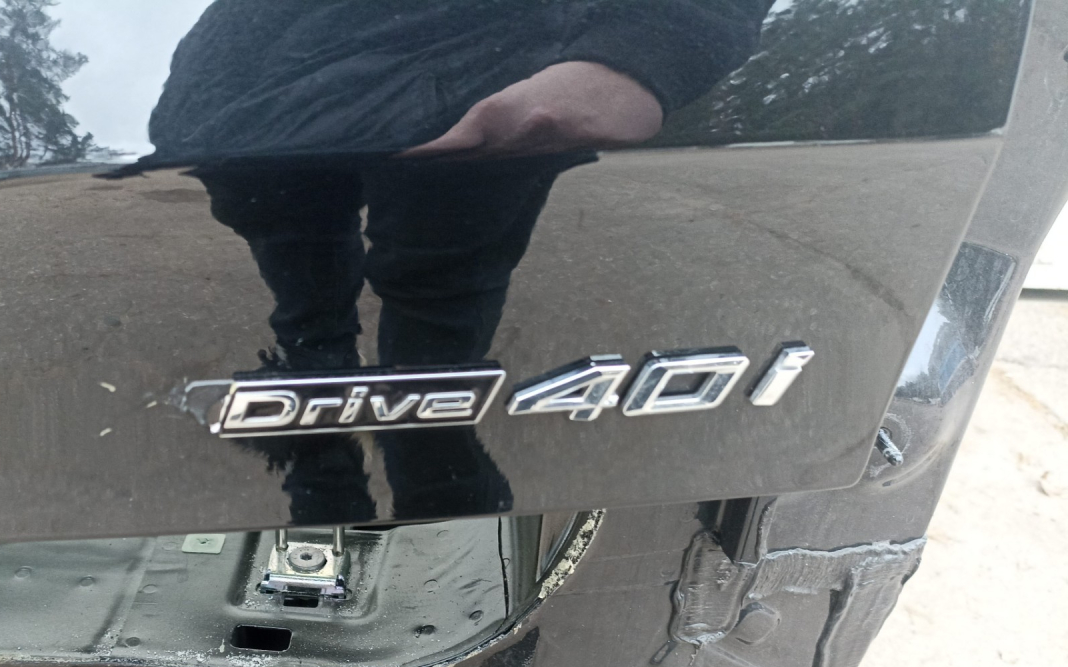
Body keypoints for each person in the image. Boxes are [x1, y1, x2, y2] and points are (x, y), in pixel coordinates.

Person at [136, 0, 772, 522]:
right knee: (303, 277)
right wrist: (195, 100)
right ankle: (331, 437)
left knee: (436, 306)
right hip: (256, 86)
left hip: (477, 63)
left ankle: (427, 450)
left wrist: (647, 46)